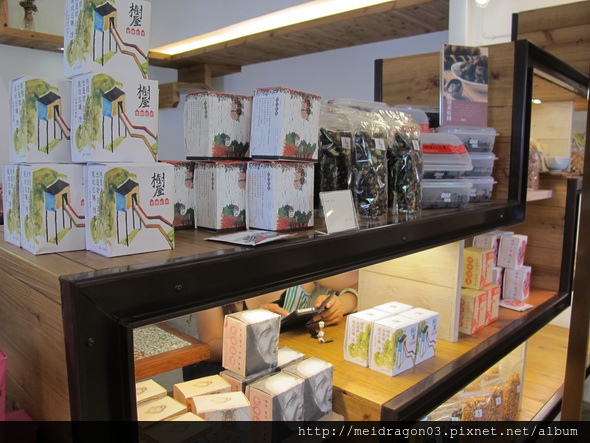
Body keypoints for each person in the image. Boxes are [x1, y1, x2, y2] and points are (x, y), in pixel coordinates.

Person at [183, 271, 358, 380]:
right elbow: (211, 346)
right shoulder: (214, 275)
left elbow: (362, 281)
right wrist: (254, 329)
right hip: (244, 377)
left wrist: (342, 303)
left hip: (296, 371)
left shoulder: (302, 259)